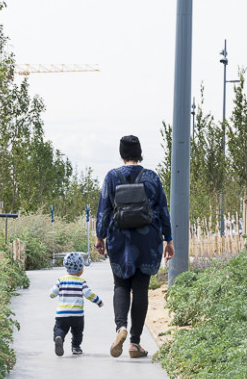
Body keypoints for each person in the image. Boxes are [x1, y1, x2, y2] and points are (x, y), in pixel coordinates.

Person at [95, 135, 174, 359]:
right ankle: (134, 344)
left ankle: (121, 327)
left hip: (119, 238)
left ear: (122, 154)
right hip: (147, 240)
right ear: (139, 153)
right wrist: (169, 240)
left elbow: (103, 209)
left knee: (120, 285)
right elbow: (164, 210)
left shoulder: (112, 177)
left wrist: (100, 238)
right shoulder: (151, 177)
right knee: (140, 288)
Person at [49, 252, 103, 356]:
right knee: (77, 332)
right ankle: (76, 347)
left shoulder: (61, 281)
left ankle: (58, 337)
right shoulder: (81, 282)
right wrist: (98, 301)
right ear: (81, 269)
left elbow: (52, 293)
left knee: (59, 328)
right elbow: (88, 294)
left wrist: (52, 294)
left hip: (62, 314)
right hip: (77, 315)